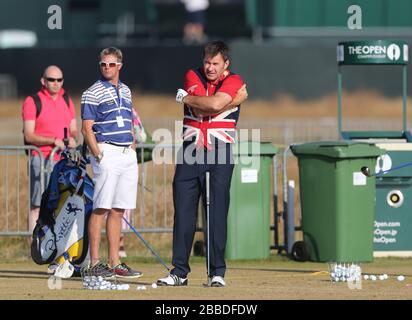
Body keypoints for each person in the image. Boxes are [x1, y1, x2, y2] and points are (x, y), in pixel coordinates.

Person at [157, 41, 248, 287]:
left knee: (216, 214)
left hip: (220, 152)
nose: (209, 67)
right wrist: (234, 101)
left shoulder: (234, 80)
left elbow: (213, 105)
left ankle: (216, 272)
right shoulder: (192, 74)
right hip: (190, 152)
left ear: (225, 64)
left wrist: (189, 99)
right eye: (207, 62)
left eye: (215, 63)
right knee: (184, 214)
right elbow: (208, 107)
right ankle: (179, 272)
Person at [81, 47, 142, 279]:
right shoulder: (91, 92)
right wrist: (98, 154)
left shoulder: (126, 90)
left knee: (118, 209)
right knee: (101, 208)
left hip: (126, 152)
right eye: (103, 64)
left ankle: (115, 261)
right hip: (106, 152)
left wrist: (133, 147)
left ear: (120, 65)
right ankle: (95, 263)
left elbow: (128, 121)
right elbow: (87, 128)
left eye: (111, 64)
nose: (106, 67)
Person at [22, 65, 78, 249]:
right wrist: (52, 140)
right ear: (43, 81)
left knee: (61, 205)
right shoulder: (32, 101)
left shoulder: (67, 100)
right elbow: (29, 135)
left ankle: (58, 247)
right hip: (41, 159)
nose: (55, 83)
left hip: (62, 161)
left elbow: (74, 130)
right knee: (38, 204)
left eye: (59, 80)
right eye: (51, 79)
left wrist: (72, 139)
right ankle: (35, 247)